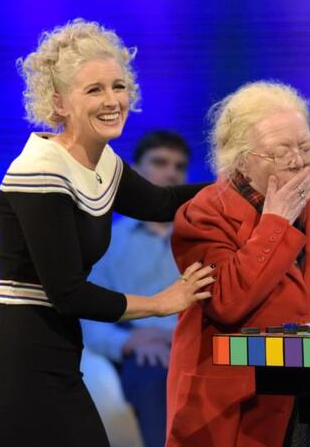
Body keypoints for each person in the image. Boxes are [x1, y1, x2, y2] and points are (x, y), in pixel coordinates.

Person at [0, 19, 214, 447]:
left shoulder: (104, 164)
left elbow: (161, 203)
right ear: (59, 102)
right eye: (94, 90)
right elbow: (68, 293)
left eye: (118, 86)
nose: (112, 100)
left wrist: (240, 183)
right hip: (17, 371)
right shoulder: (41, 168)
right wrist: (161, 303)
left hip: (58, 362)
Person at [165, 81, 310, 447]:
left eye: (305, 146)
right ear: (242, 161)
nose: (298, 160)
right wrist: (275, 224)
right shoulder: (202, 214)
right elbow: (228, 302)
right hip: (233, 413)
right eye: (282, 151)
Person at [82, 130, 192, 447]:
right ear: (136, 171)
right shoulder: (108, 242)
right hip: (138, 352)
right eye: (160, 162)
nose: (171, 172)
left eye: (179, 166)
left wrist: (172, 337)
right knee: (154, 375)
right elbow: (90, 318)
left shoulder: (201, 238)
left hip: (190, 343)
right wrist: (129, 341)